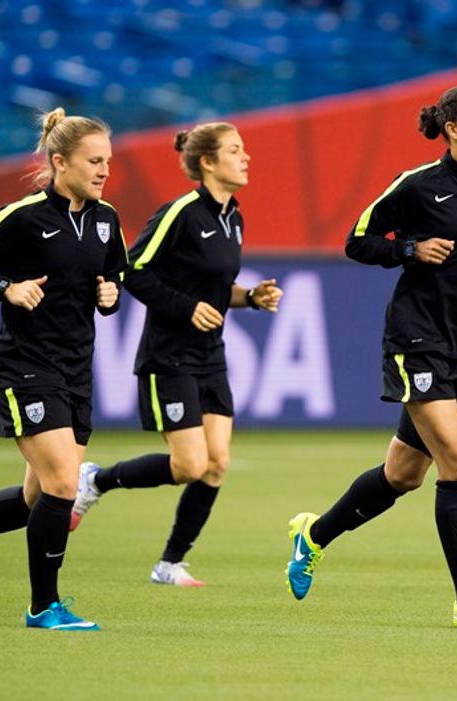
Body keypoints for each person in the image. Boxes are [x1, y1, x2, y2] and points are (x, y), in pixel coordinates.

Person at [285, 85, 457, 629]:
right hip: (415, 340)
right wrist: (409, 250)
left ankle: (312, 536)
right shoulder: (418, 186)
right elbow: (358, 240)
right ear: (453, 128)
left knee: (402, 475)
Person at [0, 107, 126, 630]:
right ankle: (44, 607)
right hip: (25, 366)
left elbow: (113, 279)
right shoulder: (23, 216)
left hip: (76, 369)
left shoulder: (107, 220)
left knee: (35, 498)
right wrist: (4, 288)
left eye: (107, 160)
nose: (104, 171)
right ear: (59, 162)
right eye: (93, 161)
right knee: (63, 484)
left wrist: (110, 295)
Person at [68, 122, 282, 587]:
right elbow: (134, 270)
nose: (246, 158)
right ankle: (96, 480)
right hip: (169, 357)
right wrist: (187, 309)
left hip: (211, 356)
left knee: (217, 463)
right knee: (189, 466)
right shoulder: (181, 212)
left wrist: (249, 298)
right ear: (207, 162)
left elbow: (213, 287)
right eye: (234, 150)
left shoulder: (234, 217)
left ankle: (169, 564)